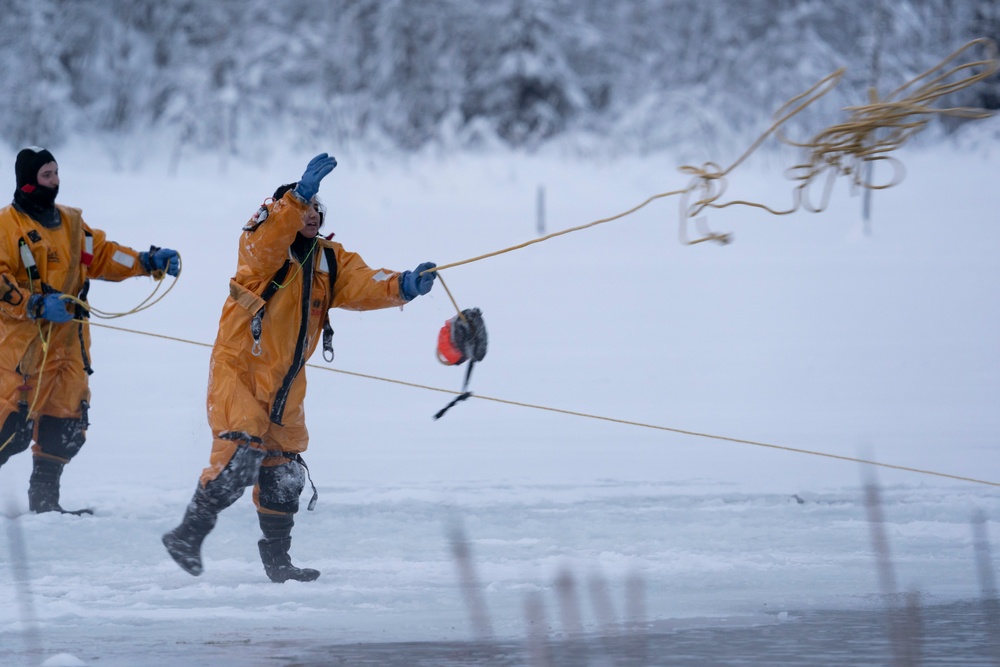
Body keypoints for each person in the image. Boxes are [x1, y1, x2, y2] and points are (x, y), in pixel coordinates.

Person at [163, 153, 436, 583]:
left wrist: (403, 285)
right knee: (238, 461)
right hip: (239, 374)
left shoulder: (330, 259)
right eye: (303, 208)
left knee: (284, 473)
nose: (310, 214)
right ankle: (187, 535)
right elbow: (266, 237)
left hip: (286, 385)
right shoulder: (261, 253)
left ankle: (278, 563)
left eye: (315, 208)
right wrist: (296, 196)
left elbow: (364, 282)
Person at [0, 147, 181, 514]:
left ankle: (45, 505)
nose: (55, 181)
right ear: (29, 181)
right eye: (46, 176)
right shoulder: (7, 227)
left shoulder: (71, 222)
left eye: (56, 173)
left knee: (66, 427)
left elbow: (105, 256)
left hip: (70, 348)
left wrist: (146, 262)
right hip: (24, 350)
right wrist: (31, 304)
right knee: (11, 429)